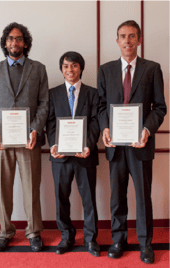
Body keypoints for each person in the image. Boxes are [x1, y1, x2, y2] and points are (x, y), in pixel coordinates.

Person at [98, 20, 167, 264]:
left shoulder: (152, 69)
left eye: (132, 36)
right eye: (123, 36)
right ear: (117, 41)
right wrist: (105, 126)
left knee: (142, 196)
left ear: (139, 40)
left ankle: (145, 243)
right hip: (115, 146)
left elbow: (159, 107)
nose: (127, 40)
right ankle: (119, 240)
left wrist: (147, 129)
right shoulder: (105, 70)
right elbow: (101, 106)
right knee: (117, 196)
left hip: (141, 144)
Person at [0, 22, 48, 252]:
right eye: (10, 39)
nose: (14, 42)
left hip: (29, 140)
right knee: (3, 188)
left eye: (18, 38)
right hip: (2, 141)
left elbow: (43, 104)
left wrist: (35, 129)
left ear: (26, 43)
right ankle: (5, 231)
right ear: (5, 43)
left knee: (31, 187)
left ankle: (33, 231)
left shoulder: (38, 69)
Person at [46, 52, 100, 255]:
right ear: (62, 69)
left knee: (89, 198)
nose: (70, 70)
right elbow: (50, 122)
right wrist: (53, 144)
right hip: (60, 157)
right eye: (66, 66)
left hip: (85, 154)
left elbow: (95, 121)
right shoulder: (53, 93)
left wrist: (88, 145)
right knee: (61, 198)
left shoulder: (93, 93)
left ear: (81, 68)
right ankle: (66, 237)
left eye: (74, 66)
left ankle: (90, 239)